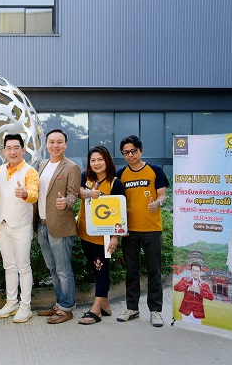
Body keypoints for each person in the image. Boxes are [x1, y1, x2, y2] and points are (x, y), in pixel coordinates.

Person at [116, 135, 169, 327]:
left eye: (133, 151)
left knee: (154, 271)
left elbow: (162, 195)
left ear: (141, 150)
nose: (130, 155)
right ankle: (132, 309)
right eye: (126, 153)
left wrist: (157, 203)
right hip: (129, 231)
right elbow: (115, 202)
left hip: (151, 229)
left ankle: (155, 311)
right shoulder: (121, 175)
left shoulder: (155, 170)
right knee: (131, 271)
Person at [34, 129, 81, 324]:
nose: (55, 145)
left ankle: (67, 308)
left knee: (63, 269)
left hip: (61, 226)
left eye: (59, 142)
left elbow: (73, 194)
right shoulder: (42, 165)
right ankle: (59, 304)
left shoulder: (72, 167)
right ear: (46, 144)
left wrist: (66, 203)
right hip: (42, 225)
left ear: (65, 144)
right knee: (52, 269)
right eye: (51, 142)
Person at [0, 134, 39, 323]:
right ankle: (11, 303)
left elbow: (34, 193)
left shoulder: (30, 172)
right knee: (9, 266)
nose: (12, 152)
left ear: (23, 150)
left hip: (22, 226)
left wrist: (25, 193)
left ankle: (25, 306)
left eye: (16, 148)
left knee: (23, 266)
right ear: (4, 151)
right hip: (4, 225)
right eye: (9, 148)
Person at [76, 146, 124, 325]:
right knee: (96, 269)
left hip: (103, 238)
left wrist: (115, 237)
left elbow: (120, 212)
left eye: (100, 159)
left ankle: (96, 310)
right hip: (85, 232)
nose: (96, 163)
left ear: (107, 160)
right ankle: (105, 305)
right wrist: (89, 193)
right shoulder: (85, 177)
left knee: (101, 271)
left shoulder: (114, 183)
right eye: (93, 160)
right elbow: (78, 192)